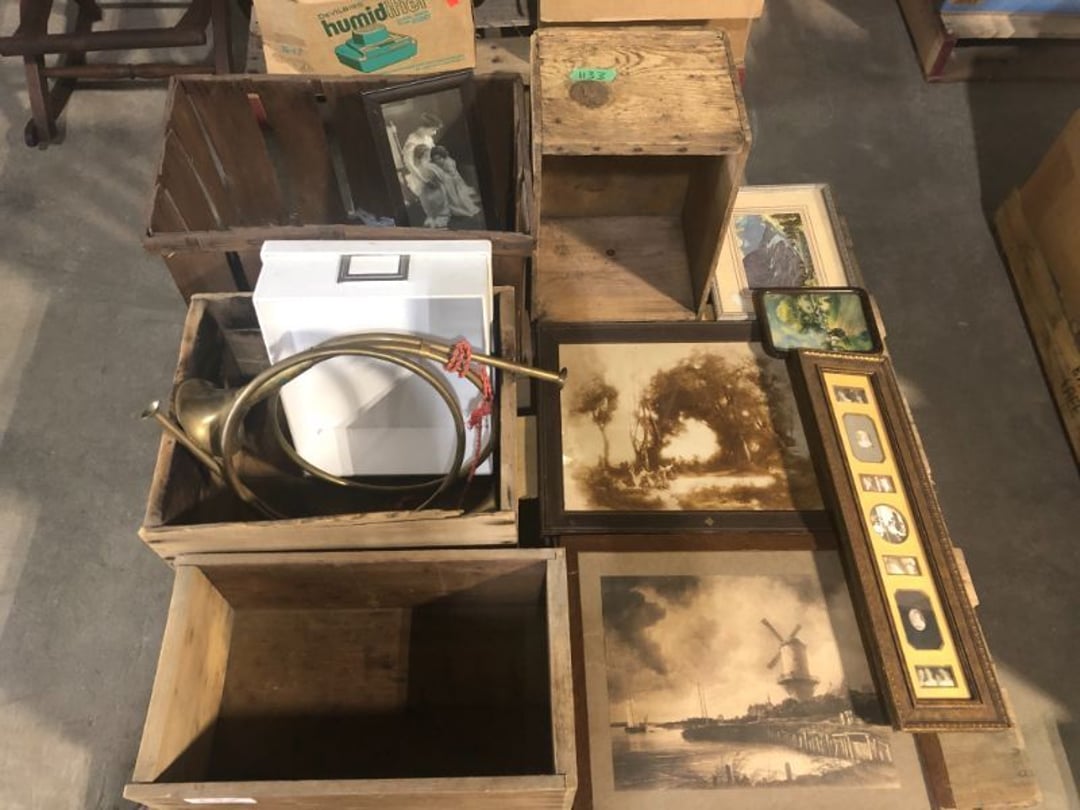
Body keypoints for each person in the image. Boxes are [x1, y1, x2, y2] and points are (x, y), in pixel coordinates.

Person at [430, 145, 482, 221]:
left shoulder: (449, 163)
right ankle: (451, 208)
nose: (437, 161)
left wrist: (444, 176)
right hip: (449, 180)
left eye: (439, 159)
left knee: (458, 198)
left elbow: (453, 174)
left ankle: (463, 210)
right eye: (435, 159)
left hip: (454, 181)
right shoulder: (439, 163)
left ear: (443, 157)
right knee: (449, 196)